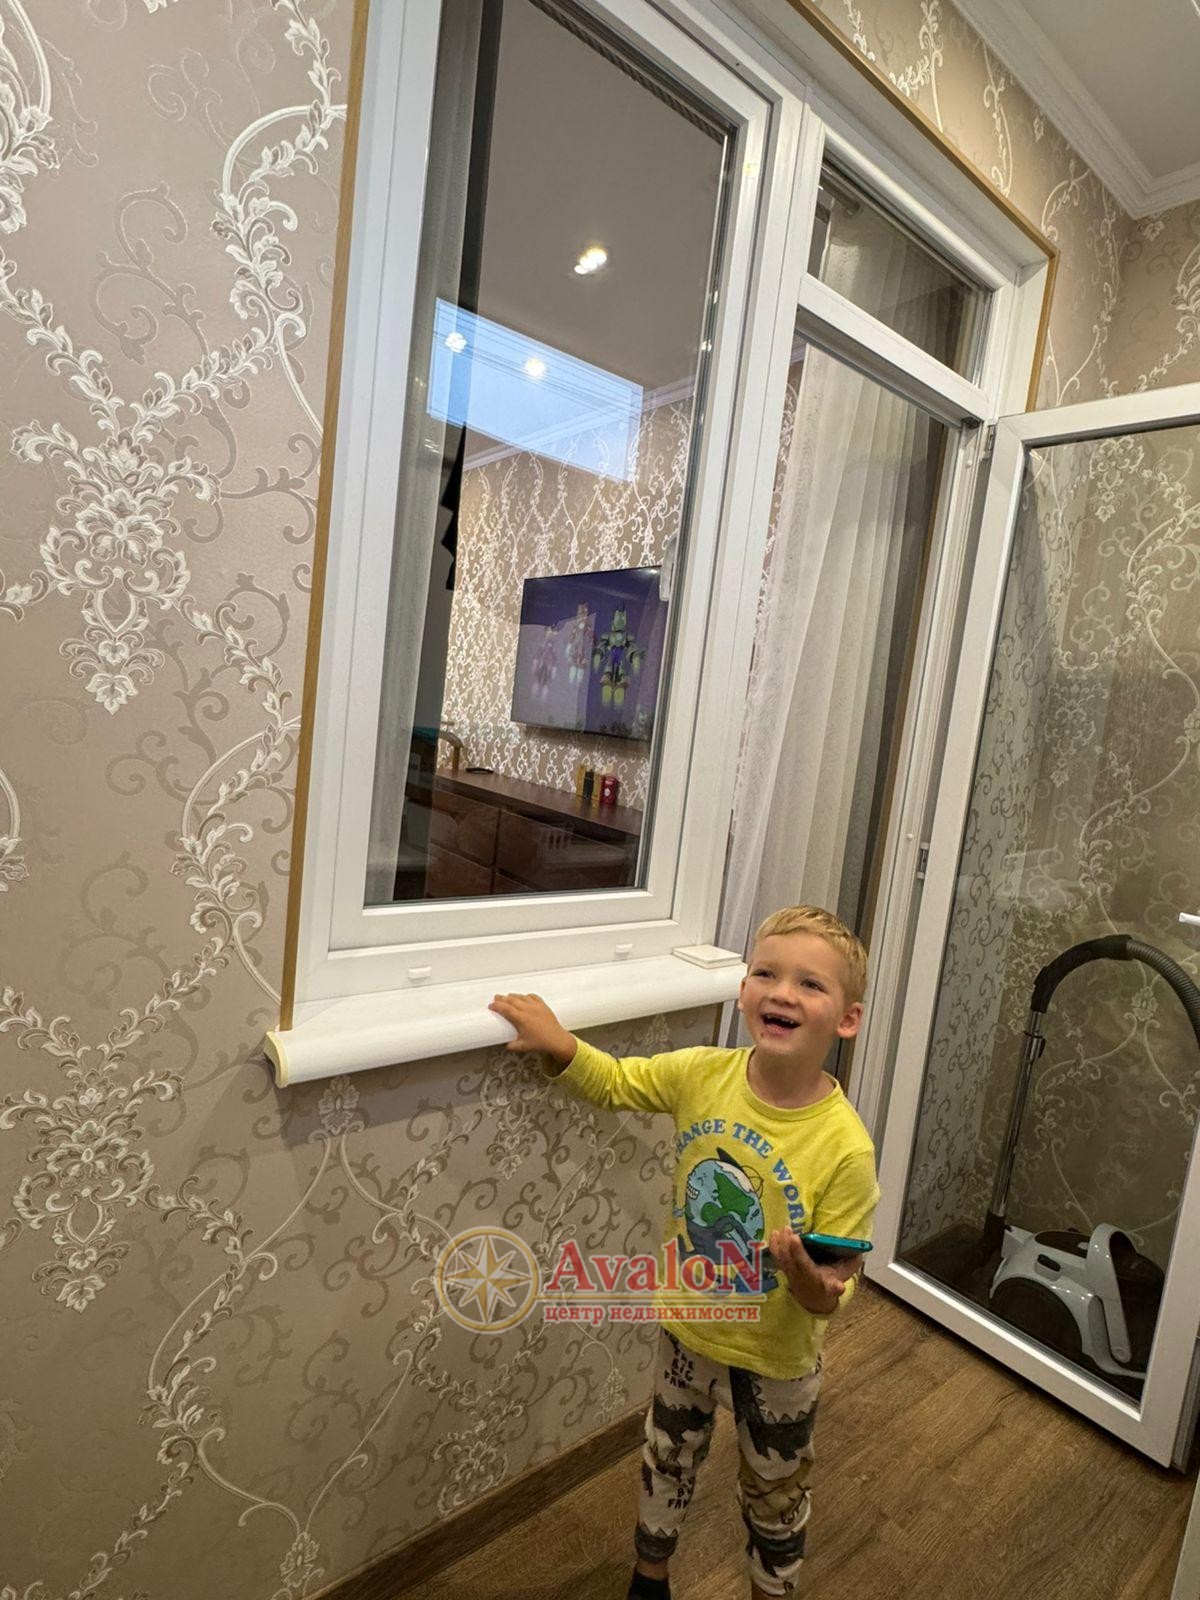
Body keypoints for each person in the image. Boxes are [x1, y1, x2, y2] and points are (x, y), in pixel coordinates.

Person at [489, 905, 880, 1600]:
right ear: (744, 990)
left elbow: (834, 1289)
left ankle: (771, 1588)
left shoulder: (847, 1148)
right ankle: (649, 1577)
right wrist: (560, 1043)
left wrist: (804, 1277)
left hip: (777, 1360)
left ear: (847, 1019)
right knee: (666, 1458)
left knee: (776, 1494)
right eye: (766, 973)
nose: (783, 993)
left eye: (810, 984)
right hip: (687, 1327)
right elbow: (617, 1083)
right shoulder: (702, 1074)